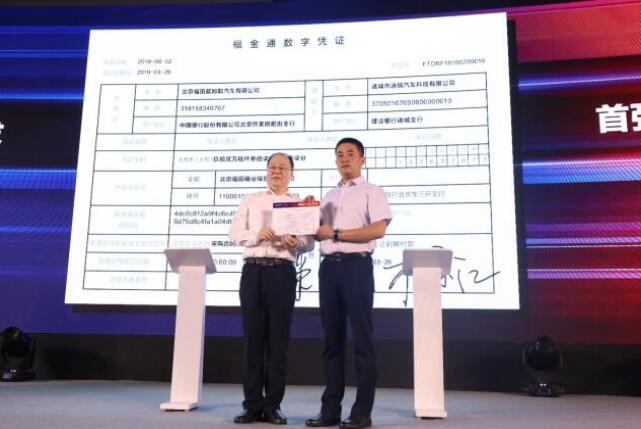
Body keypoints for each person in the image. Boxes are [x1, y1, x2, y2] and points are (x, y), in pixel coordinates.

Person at [305, 137, 392, 429]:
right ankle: (330, 410)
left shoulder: (372, 191)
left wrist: (337, 234)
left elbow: (378, 229)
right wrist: (307, 214)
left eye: (350, 154)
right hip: (329, 268)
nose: (344, 158)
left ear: (362, 159)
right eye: (340, 154)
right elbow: (318, 232)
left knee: (362, 341)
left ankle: (362, 412)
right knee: (331, 342)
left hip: (357, 267)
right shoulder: (328, 195)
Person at [229, 152, 314, 425]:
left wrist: (295, 241)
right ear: (267, 172)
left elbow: (309, 243)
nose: (277, 171)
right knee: (253, 341)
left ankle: (273, 406)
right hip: (253, 272)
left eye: (283, 167)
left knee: (278, 342)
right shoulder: (251, 200)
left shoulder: (299, 204)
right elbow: (234, 234)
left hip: (282, 273)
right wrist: (256, 235)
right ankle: (252, 405)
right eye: (273, 167)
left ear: (292, 174)